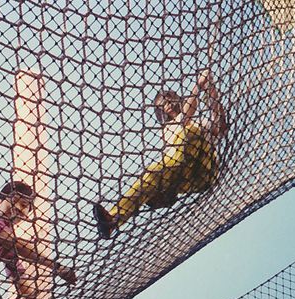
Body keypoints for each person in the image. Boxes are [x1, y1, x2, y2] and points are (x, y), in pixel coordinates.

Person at [93, 69, 228, 239]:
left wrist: (211, 90)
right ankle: (113, 220)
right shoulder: (168, 129)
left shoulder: (199, 122)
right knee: (150, 176)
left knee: (192, 131)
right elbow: (185, 117)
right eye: (162, 104)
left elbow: (220, 127)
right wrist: (199, 86)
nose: (168, 105)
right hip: (181, 172)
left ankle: (164, 192)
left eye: (169, 99)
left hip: (205, 169)